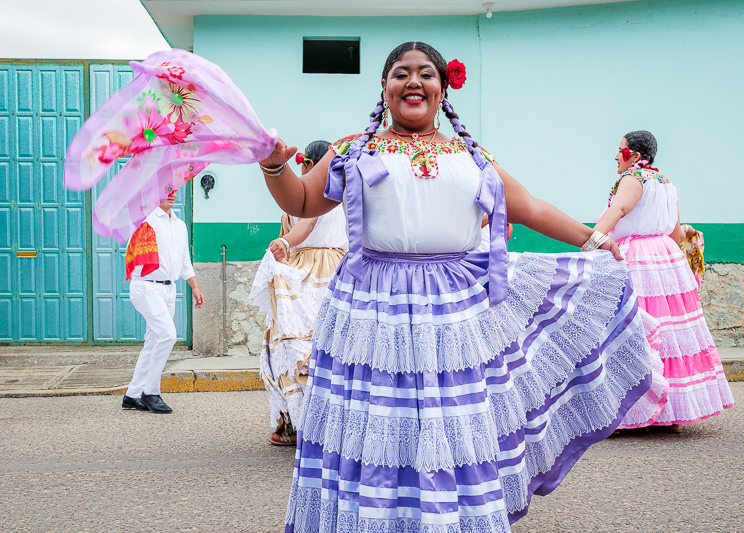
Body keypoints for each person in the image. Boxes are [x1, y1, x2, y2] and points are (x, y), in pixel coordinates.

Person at [259, 42, 658, 531]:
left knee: (449, 425)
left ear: (442, 89)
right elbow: (301, 201)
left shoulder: (469, 156)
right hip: (370, 309)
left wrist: (593, 239)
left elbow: (530, 207)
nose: (413, 81)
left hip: (452, 310)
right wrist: (275, 166)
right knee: (375, 424)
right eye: (400, 73)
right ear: (384, 88)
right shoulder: (353, 151)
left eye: (425, 73)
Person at [593, 130, 733, 432]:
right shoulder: (666, 183)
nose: (616, 156)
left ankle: (629, 412)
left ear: (635, 155)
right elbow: (675, 233)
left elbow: (618, 210)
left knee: (633, 328)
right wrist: (691, 233)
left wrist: (590, 242)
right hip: (667, 259)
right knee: (668, 332)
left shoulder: (634, 179)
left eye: (620, 150)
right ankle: (671, 413)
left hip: (639, 259)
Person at [249, 140, 348, 446]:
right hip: (332, 266)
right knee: (319, 347)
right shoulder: (342, 192)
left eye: (305, 166)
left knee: (297, 346)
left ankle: (296, 426)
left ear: (311, 166)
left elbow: (306, 225)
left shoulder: (319, 193)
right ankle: (314, 425)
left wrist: (286, 242)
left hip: (313, 270)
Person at [121, 190, 204, 414]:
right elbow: (132, 251)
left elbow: (184, 261)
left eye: (174, 189)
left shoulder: (179, 225)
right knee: (167, 335)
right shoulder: (145, 220)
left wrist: (194, 286)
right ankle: (150, 392)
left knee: (153, 341)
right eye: (165, 189)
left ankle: (132, 395)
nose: (171, 194)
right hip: (146, 287)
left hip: (169, 288)